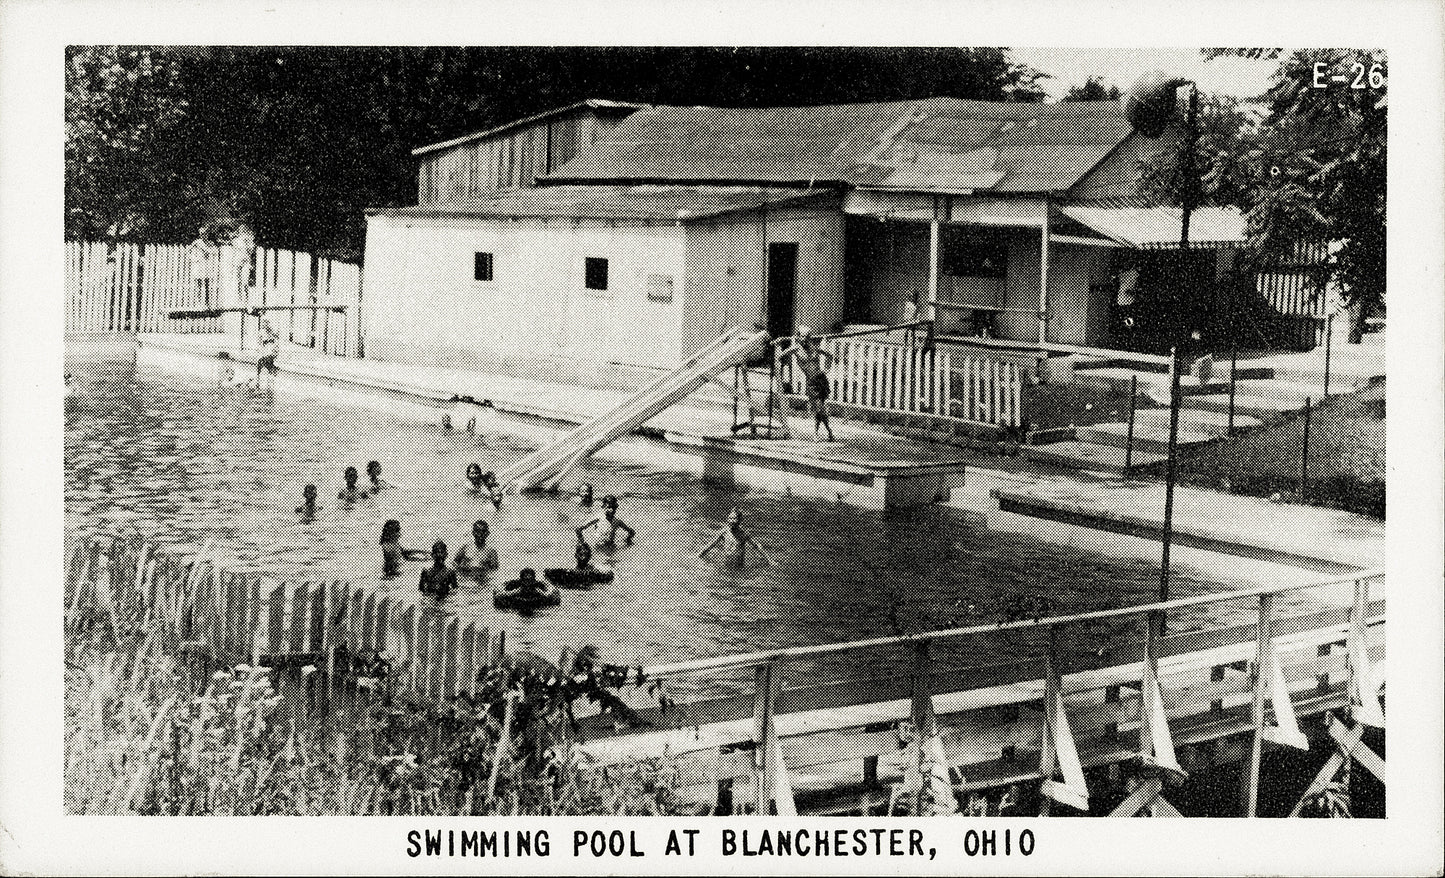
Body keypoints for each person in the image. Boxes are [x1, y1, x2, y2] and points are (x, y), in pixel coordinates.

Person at [776, 325, 835, 441]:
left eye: (807, 337)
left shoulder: (814, 347)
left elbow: (830, 356)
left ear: (809, 338)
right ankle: (828, 432)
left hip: (821, 380)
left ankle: (819, 433)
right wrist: (778, 343)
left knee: (820, 408)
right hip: (811, 383)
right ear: (798, 337)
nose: (804, 339)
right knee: (819, 409)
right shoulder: (795, 349)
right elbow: (780, 356)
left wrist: (826, 370)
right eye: (802, 336)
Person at [700, 507, 774, 568]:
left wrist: (769, 560)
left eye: (734, 518)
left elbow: (757, 546)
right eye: (730, 518)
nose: (731, 521)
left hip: (739, 566)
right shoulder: (724, 532)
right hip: (727, 565)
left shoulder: (743, 533)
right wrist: (699, 555)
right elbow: (711, 544)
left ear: (740, 520)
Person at [256, 318, 279, 383]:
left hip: (270, 349)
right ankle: (258, 378)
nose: (265, 324)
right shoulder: (261, 332)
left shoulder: (271, 331)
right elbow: (259, 341)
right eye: (264, 323)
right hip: (264, 349)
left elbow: (275, 340)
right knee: (260, 363)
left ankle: (270, 377)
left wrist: (275, 350)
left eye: (267, 323)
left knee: (268, 362)